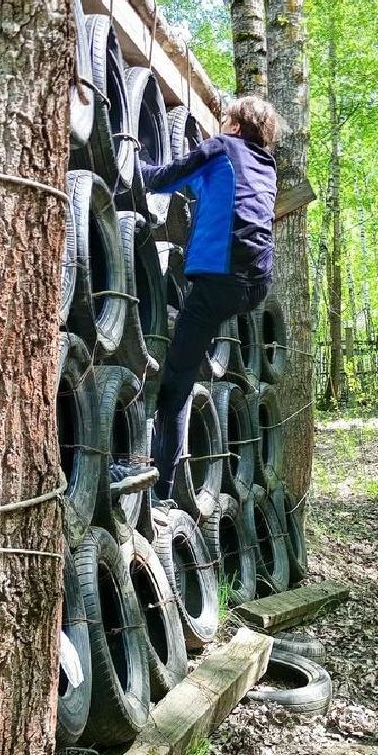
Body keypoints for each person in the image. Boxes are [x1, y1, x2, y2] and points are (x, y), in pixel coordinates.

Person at [117, 96, 279, 502]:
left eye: (225, 119)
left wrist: (123, 161)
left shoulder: (221, 148)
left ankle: (159, 489)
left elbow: (165, 178)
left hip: (218, 281)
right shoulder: (266, 168)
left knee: (174, 384)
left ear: (237, 127)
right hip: (254, 285)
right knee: (187, 366)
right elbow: (212, 189)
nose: (220, 124)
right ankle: (167, 470)